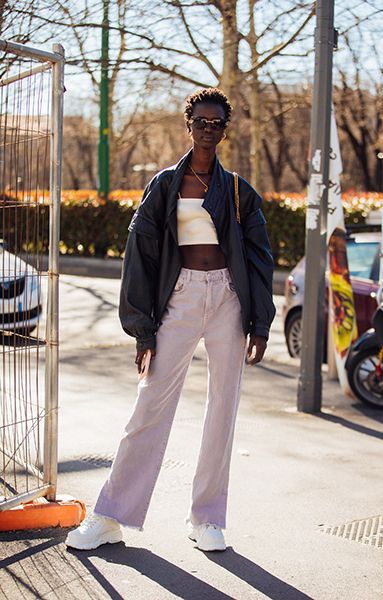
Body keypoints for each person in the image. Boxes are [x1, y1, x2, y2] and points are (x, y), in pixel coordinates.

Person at [66, 88, 276, 552]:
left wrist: (260, 323)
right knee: (149, 407)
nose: (207, 128)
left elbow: (261, 260)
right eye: (200, 121)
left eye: (216, 123)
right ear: (188, 124)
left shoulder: (239, 190)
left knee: (224, 411)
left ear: (224, 129)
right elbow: (139, 254)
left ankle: (207, 519)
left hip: (228, 299)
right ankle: (110, 516)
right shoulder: (164, 184)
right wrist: (143, 328)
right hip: (178, 298)